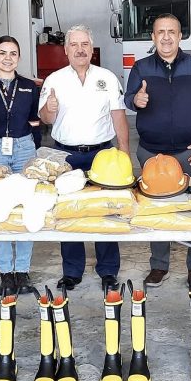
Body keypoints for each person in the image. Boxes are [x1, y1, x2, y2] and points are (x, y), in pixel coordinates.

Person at [124, 13, 191, 289]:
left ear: (180, 36)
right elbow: (128, 98)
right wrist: (136, 99)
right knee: (157, 209)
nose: (166, 37)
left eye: (172, 32)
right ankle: (159, 265)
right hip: (152, 153)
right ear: (153, 37)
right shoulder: (141, 68)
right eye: (160, 32)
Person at [38, 24, 129, 292]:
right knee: (68, 212)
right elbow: (45, 118)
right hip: (66, 155)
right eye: (74, 45)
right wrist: (49, 109)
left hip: (103, 153)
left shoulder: (108, 78)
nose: (80, 49)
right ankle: (72, 271)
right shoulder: (55, 80)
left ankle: (108, 271)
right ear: (65, 50)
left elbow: (118, 115)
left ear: (92, 49)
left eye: (85, 44)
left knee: (106, 210)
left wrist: (123, 151)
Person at [0, 36, 40, 297]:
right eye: (2, 53)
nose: (8, 58)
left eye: (13, 53)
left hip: (24, 148)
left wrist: (31, 144)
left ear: (19, 58)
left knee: (27, 206)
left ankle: (22, 271)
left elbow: (35, 119)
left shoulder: (28, 86)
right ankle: (5, 272)